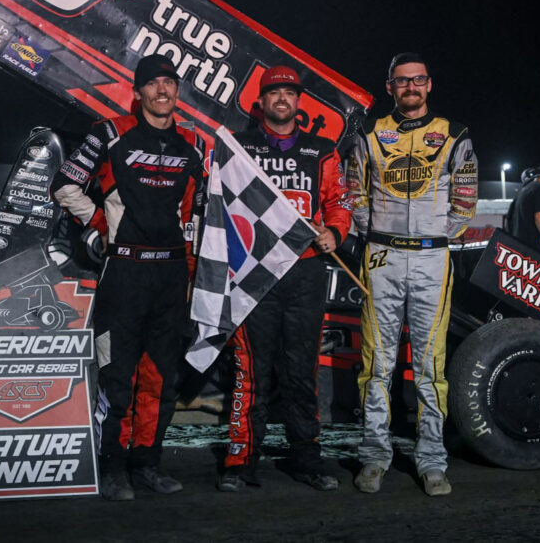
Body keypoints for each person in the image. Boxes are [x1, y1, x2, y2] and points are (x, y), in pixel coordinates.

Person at [51, 54, 205, 500]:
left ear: (177, 92)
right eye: (153, 84)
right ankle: (113, 466)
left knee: (161, 377)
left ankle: (147, 464)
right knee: (118, 375)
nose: (162, 91)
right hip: (125, 270)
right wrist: (99, 225)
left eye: (169, 83)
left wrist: (196, 271)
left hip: (172, 273)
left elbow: (200, 208)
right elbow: (65, 184)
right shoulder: (110, 132)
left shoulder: (193, 144)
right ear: (138, 93)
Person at [346, 52, 477, 496]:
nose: (410, 87)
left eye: (417, 80)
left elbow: (466, 198)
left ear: (429, 84)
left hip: (431, 260)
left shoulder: (454, 134)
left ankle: (432, 461)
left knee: (429, 366)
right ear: (390, 87)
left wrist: (437, 235)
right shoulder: (368, 133)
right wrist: (376, 234)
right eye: (402, 82)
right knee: (376, 364)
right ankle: (374, 456)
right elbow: (354, 192)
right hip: (381, 256)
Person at [217, 65, 351, 493]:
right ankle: (240, 462)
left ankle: (307, 460)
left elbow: (340, 202)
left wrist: (336, 230)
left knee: (300, 372)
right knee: (250, 373)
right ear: (261, 102)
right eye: (274, 93)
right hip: (253, 274)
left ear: (299, 101)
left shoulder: (322, 151)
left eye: (289, 93)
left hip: (305, 273)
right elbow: (218, 203)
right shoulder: (238, 148)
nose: (282, 99)